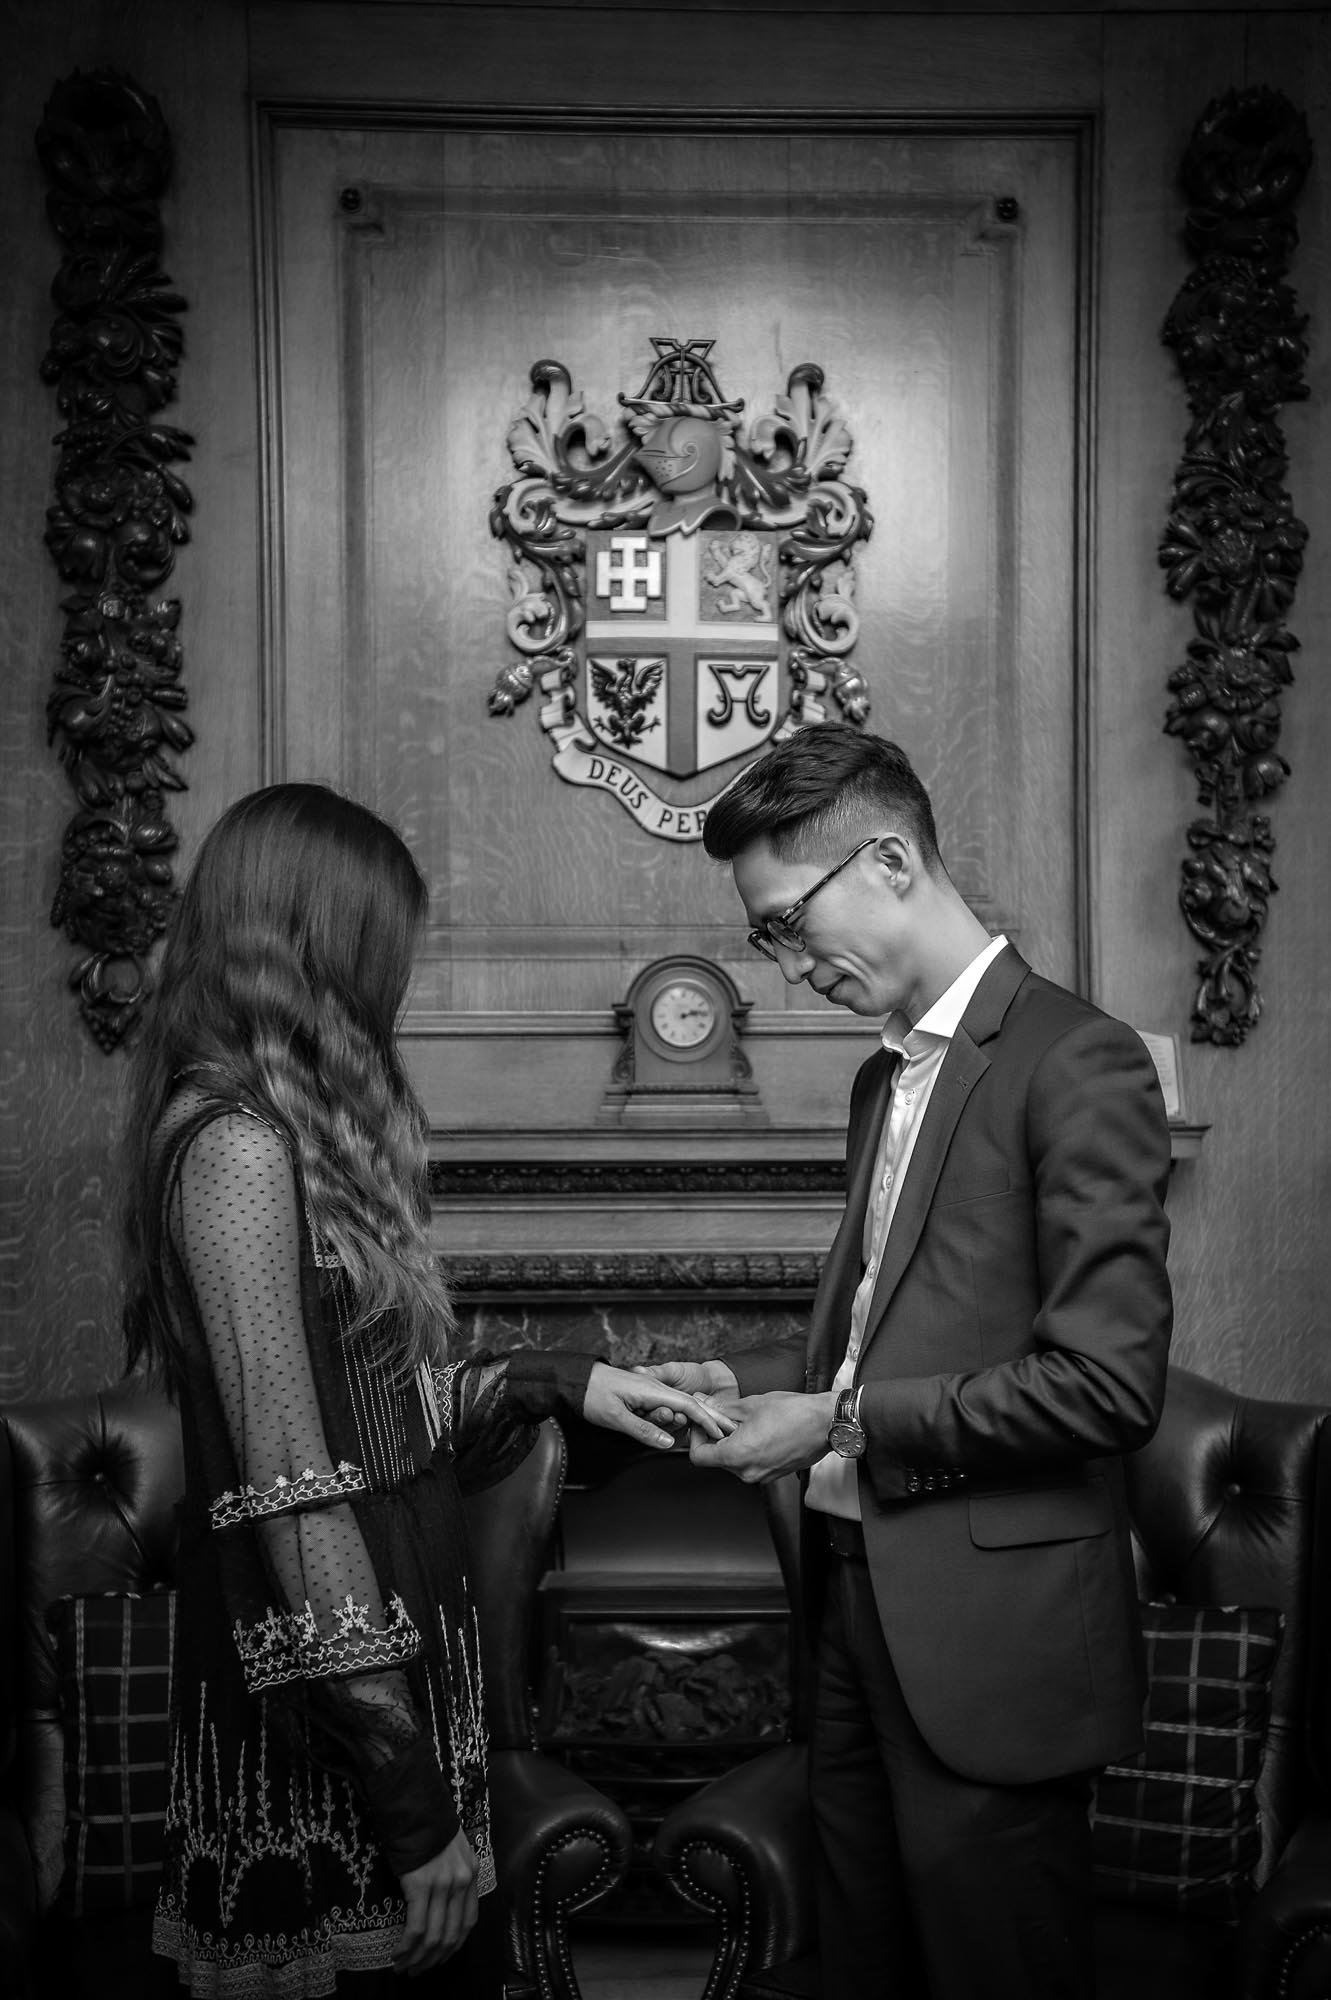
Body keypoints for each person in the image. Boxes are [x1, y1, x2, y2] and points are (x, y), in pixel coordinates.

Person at [120, 782, 728, 1998]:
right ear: (312, 936)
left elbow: (383, 1420)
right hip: (323, 1732)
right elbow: (291, 1490)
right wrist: (408, 1807)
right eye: (382, 943)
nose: (392, 975)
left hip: (386, 1678)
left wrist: (580, 1382)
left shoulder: (293, 1131)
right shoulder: (233, 1143)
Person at [641, 724, 1173, 2000]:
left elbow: (1106, 1384)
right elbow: (888, 1324)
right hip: (852, 1601)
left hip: (986, 1637)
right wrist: (754, 1378)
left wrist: (834, 1418)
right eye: (763, 938)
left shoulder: (1075, 1058)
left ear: (885, 858)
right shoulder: (882, 1082)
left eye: (785, 923)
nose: (781, 963)